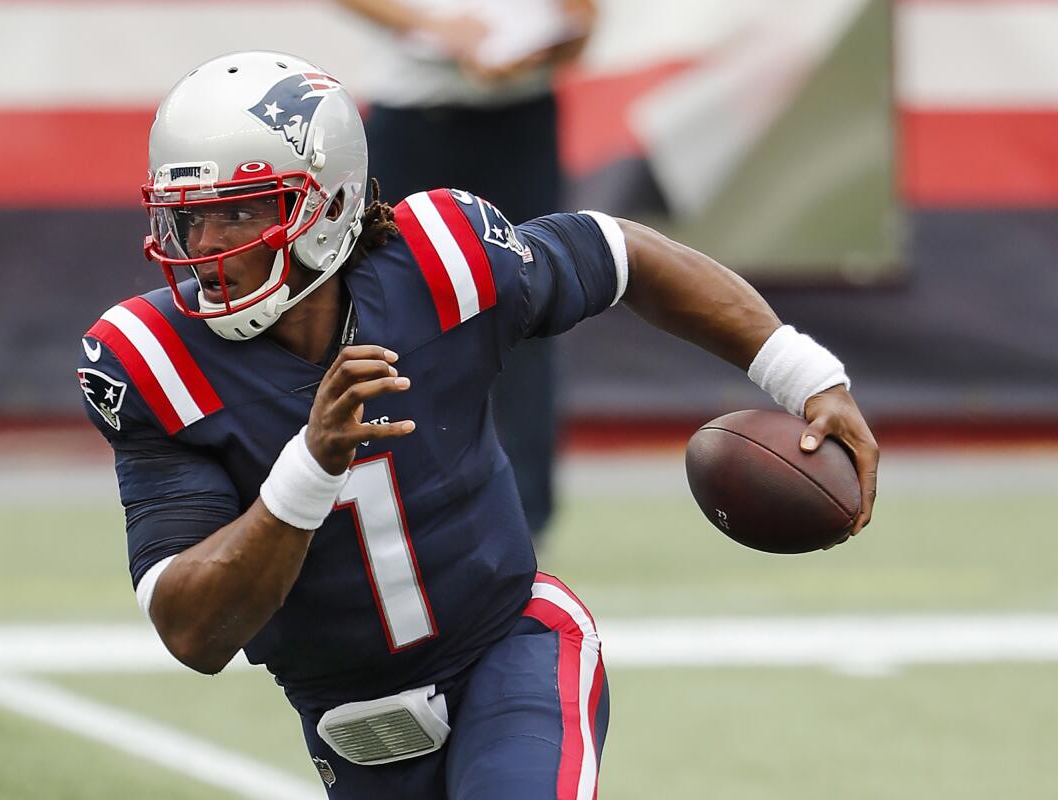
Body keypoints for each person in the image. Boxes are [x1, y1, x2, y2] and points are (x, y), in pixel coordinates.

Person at [77, 51, 878, 800]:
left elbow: (622, 254)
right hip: (352, 723)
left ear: (325, 206)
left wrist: (807, 376)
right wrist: (310, 468)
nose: (206, 247)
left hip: (510, 647)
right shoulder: (150, 363)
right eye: (189, 219)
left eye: (239, 212)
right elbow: (192, 631)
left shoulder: (444, 263)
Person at [337, 0, 598, 540]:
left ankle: (524, 518)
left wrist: (568, 29)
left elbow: (580, 16)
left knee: (532, 304)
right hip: (415, 115)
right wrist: (439, 30)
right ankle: (389, 503)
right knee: (388, 309)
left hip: (520, 117)